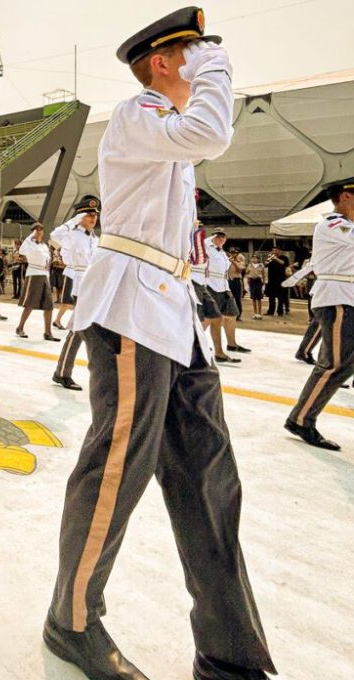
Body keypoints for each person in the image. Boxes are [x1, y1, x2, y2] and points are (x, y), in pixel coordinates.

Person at [43, 10, 276, 680]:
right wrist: (217, 68)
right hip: (133, 310)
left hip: (175, 313)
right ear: (167, 62)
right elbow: (211, 130)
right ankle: (72, 620)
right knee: (117, 469)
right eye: (196, 51)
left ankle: (231, 655)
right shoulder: (136, 113)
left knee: (209, 480)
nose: (208, 59)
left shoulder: (165, 132)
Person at [285, 176, 354, 450]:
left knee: (344, 363)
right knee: (334, 364)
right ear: (346, 196)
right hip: (337, 300)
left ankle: (302, 417)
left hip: (346, 298)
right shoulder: (333, 224)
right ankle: (301, 420)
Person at [51, 198, 101, 390]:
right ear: (80, 216)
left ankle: (62, 372)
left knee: (81, 330)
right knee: (78, 330)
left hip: (91, 286)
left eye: (95, 215)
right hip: (78, 285)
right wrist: (74, 221)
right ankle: (62, 373)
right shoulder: (72, 235)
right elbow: (55, 236)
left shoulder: (94, 239)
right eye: (89, 214)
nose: (93, 218)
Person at [205, 229, 250, 357]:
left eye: (223, 237)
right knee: (207, 318)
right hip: (210, 285)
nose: (221, 239)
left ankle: (232, 344)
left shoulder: (223, 253)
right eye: (218, 236)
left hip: (224, 286)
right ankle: (196, 344)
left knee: (231, 315)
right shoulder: (206, 247)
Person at [15, 224, 58, 341]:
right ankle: (20, 327)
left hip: (45, 276)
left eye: (40, 229)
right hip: (34, 275)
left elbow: (47, 260)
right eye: (36, 230)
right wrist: (30, 236)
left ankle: (48, 333)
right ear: (32, 232)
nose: (38, 231)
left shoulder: (44, 245)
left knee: (49, 306)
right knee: (30, 304)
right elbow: (22, 251)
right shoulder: (29, 243)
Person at [264, 246, 289, 316]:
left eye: (276, 250)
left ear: (279, 251)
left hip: (281, 280)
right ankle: (270, 311)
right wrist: (268, 259)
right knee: (271, 297)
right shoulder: (271, 258)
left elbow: (284, 264)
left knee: (281, 297)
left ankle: (280, 311)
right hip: (271, 280)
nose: (274, 252)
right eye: (273, 250)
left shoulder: (284, 258)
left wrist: (276, 259)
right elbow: (265, 265)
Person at [245, 254, 265, 319]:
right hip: (252, 281)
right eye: (253, 258)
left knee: (259, 298)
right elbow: (247, 274)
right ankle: (255, 313)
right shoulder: (249, 265)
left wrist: (264, 284)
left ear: (258, 259)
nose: (254, 259)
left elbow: (264, 274)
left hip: (258, 281)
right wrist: (247, 283)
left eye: (256, 258)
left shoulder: (261, 265)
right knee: (253, 298)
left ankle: (259, 313)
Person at [228, 246, 245, 320]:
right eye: (231, 253)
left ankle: (238, 315)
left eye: (234, 253)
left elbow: (240, 270)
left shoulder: (240, 261)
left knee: (237, 299)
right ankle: (230, 313)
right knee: (229, 298)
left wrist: (234, 262)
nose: (233, 254)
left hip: (237, 281)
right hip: (229, 280)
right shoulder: (227, 261)